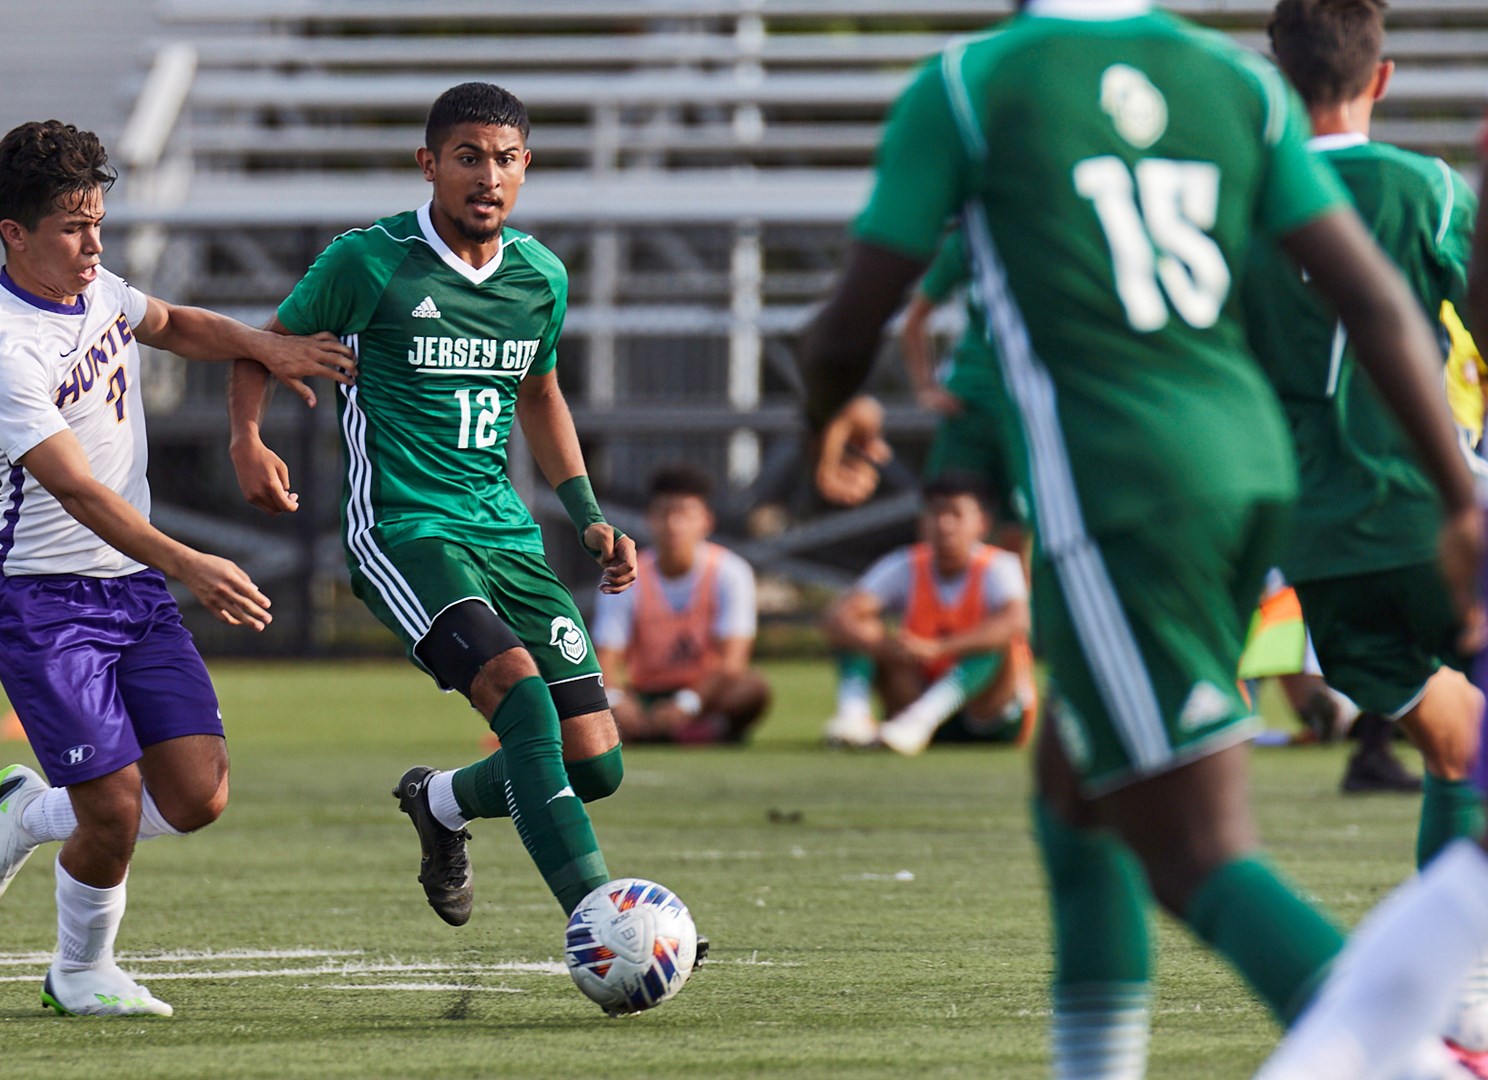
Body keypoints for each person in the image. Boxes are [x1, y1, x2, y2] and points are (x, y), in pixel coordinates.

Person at [797, 2, 1480, 1077]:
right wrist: (1462, 497)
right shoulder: (1231, 83)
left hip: (1119, 487)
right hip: (1247, 467)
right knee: (1077, 801)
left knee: (1194, 850)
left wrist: (824, 418)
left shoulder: (972, 85)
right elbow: (1383, 305)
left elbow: (848, 325)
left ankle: (1412, 1062)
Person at [226, 82, 661, 942]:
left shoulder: (540, 277)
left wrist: (586, 514)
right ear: (430, 165)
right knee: (523, 706)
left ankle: (438, 800)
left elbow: (540, 393)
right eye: (468, 157)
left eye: (504, 159)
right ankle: (604, 923)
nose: (486, 176)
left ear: (526, 168)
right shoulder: (370, 260)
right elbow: (261, 344)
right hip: (405, 528)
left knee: (595, 761)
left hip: (506, 532)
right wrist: (246, 436)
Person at [0, 120, 355, 1018]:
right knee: (115, 808)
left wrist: (268, 346)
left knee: (199, 796)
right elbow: (81, 495)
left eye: (98, 220)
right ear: (15, 235)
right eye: (72, 226)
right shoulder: (2, 350)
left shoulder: (92, 289)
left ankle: (29, 811)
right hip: (42, 602)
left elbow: (171, 322)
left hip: (129, 587)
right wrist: (193, 564)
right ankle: (79, 972)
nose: (94, 242)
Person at [1242, 0, 1484, 870]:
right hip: (1435, 514)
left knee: (1459, 748)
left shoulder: (1241, 204)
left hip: (1316, 543)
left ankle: (1460, 993)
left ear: (1278, 77)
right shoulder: (1426, 190)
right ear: (1381, 77)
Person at [822, 472, 1034, 755]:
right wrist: (890, 646)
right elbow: (838, 617)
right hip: (915, 692)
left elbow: (1017, 622)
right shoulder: (904, 564)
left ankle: (923, 717)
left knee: (996, 639)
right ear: (922, 521)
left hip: (987, 712)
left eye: (956, 514)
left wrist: (939, 648)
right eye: (936, 514)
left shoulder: (998, 567)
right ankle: (853, 715)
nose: (945, 525)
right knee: (857, 628)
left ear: (981, 524)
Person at [593, 465, 770, 745]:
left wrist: (687, 704)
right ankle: (675, 732)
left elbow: (732, 662)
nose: (674, 524)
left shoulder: (731, 572)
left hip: (705, 696)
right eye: (664, 513)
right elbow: (604, 661)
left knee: (752, 688)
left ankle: (688, 729)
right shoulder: (626, 574)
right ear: (650, 519)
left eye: (685, 513)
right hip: (647, 695)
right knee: (583, 699)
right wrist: (619, 701)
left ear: (706, 521)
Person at [899, 230, 1028, 540]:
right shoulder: (971, 240)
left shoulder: (1053, 233)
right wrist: (925, 387)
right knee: (942, 516)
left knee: (1022, 528)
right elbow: (914, 320)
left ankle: (1015, 590)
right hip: (970, 409)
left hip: (1027, 412)